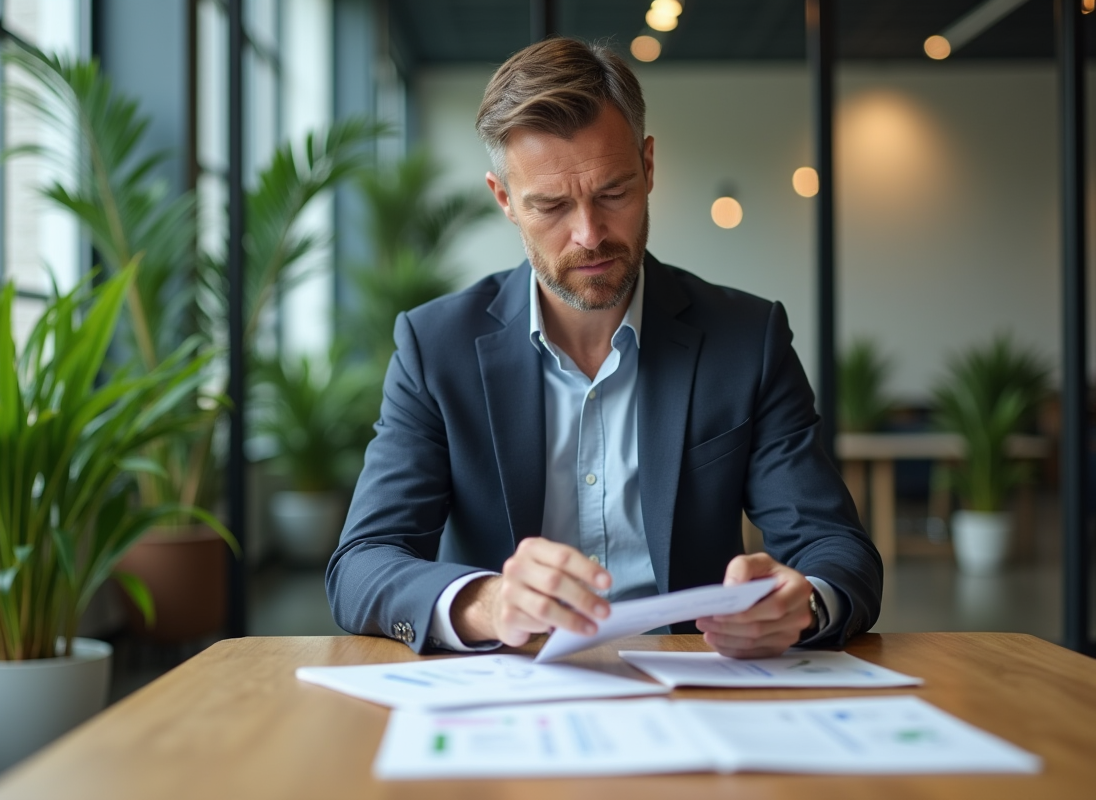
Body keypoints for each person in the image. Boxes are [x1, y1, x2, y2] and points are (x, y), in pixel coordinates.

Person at [327, 37, 882, 658]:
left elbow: (838, 548)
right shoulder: (436, 348)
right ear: (505, 199)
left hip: (695, 687)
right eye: (552, 205)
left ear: (648, 167)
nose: (589, 235)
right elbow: (362, 563)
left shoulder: (746, 339)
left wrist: (802, 603)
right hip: (512, 694)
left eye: (613, 193)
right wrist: (486, 603)